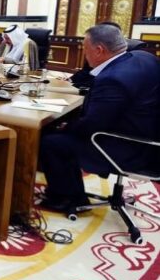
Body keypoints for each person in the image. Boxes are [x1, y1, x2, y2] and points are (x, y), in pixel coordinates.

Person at [38, 24, 160, 213]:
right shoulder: (144, 57)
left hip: (130, 148)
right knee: (61, 134)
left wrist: (65, 126)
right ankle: (71, 190)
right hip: (149, 140)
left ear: (99, 50)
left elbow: (92, 126)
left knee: (51, 141)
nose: (85, 55)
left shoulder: (113, 79)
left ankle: (67, 199)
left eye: (85, 49)